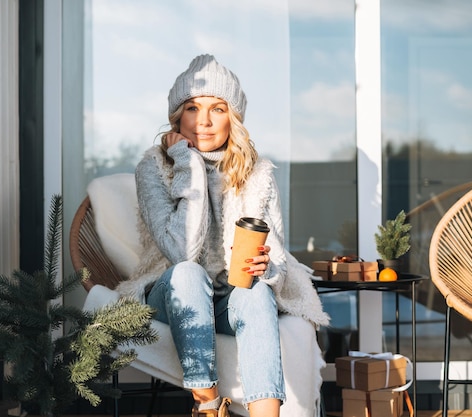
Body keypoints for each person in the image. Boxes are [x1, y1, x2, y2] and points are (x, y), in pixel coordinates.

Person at [122, 54, 329, 417]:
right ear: (177, 118)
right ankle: (209, 406)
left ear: (232, 119)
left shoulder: (258, 173)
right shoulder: (155, 168)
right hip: (171, 297)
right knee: (189, 273)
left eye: (217, 109)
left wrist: (266, 268)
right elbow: (181, 252)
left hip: (227, 302)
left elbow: (277, 262)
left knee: (256, 291)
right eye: (191, 108)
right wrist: (190, 167)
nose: (203, 121)